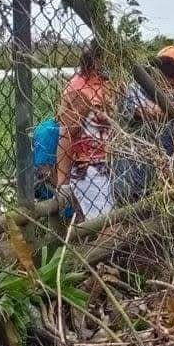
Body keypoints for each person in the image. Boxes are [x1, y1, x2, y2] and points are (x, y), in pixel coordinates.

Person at [56, 40, 114, 221]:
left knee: (114, 222)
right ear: (98, 59)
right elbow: (66, 134)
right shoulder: (78, 88)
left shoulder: (107, 84)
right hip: (88, 169)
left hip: (112, 165)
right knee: (104, 226)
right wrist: (62, 182)